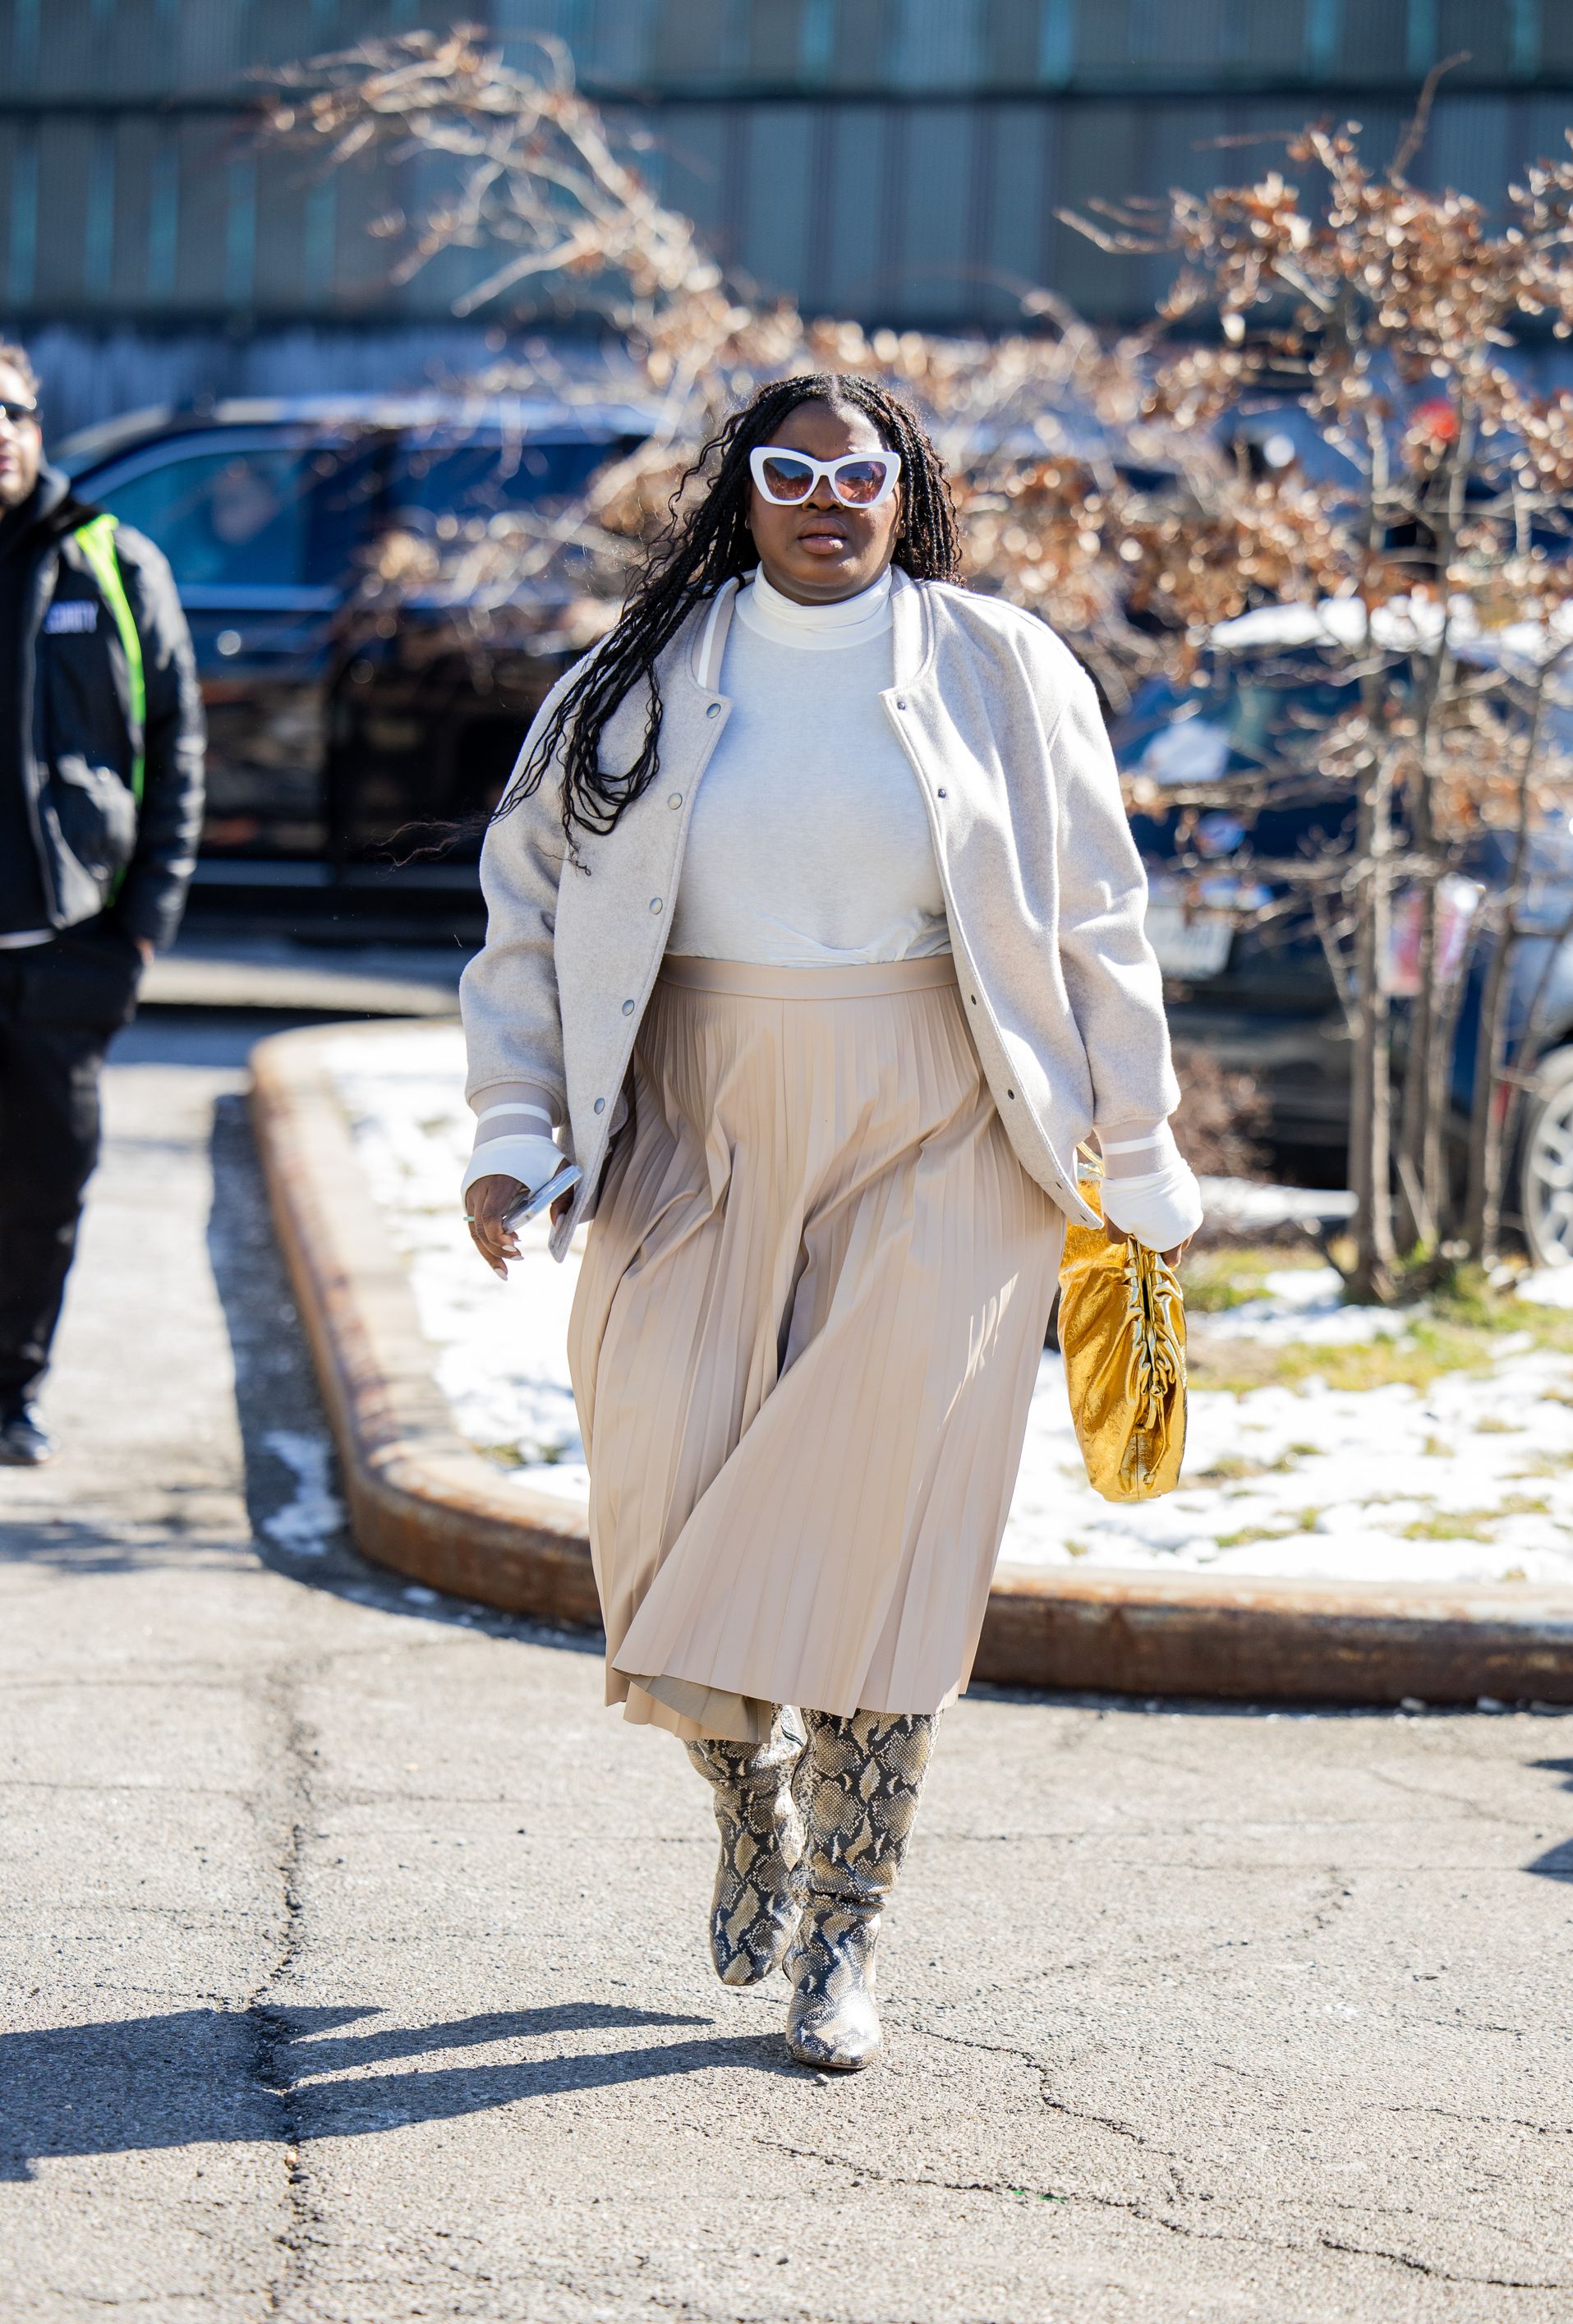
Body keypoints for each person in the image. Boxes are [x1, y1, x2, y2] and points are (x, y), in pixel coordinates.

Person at [458, 375, 1201, 2071]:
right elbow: (525, 912)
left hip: (945, 1115)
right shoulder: (625, 685)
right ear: (745, 493)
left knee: (882, 1523)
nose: (824, 499)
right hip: (691, 1110)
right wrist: (514, 1130)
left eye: (857, 473)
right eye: (789, 471)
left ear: (902, 489)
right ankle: (753, 1795)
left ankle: (848, 1925)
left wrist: (1139, 1152)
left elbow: (1097, 911)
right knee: (658, 1480)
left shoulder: (1002, 667)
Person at [0, 338, 205, 1465]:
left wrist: (139, 929)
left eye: (13, 409)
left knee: (42, 1189)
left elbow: (176, 749)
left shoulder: (113, 565)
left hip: (64, 950)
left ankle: (8, 1391)